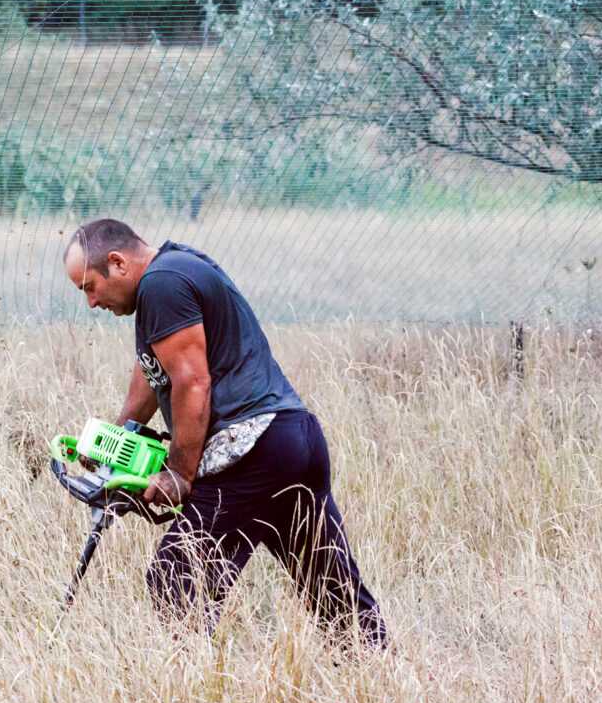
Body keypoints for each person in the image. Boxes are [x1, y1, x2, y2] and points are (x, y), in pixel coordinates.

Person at [62, 218, 387, 647]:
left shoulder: (162, 284)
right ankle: (375, 675)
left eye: (89, 286)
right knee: (335, 594)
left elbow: (192, 382)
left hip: (250, 449)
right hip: (293, 439)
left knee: (176, 579)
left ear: (117, 263)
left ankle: (200, 697)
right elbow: (154, 368)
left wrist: (179, 473)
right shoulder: (179, 266)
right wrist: (118, 437)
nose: (90, 302)